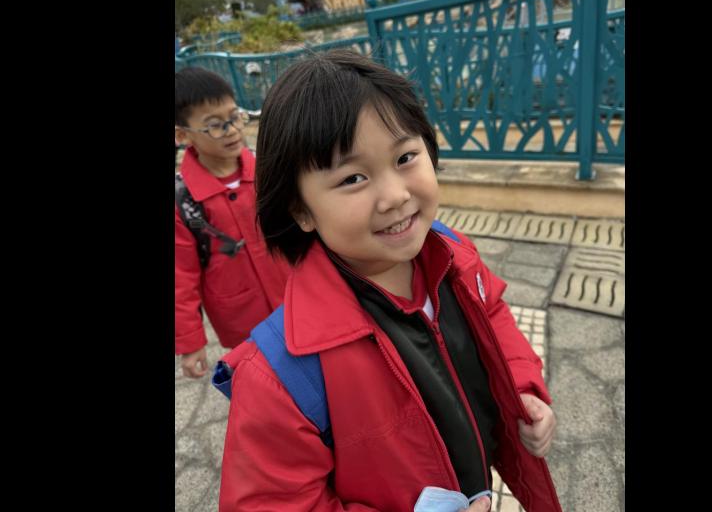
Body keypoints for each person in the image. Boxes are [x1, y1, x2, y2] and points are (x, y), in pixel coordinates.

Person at [217, 50, 561, 511]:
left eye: (405, 157)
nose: (396, 196)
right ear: (300, 210)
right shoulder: (280, 375)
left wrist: (523, 388)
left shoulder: (452, 253)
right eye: (353, 178)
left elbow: (493, 315)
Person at [175, 67, 290, 378]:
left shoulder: (267, 168)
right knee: (267, 381)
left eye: (234, 117)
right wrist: (191, 342)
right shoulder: (183, 200)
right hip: (243, 318)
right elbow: (181, 275)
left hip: (296, 294)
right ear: (182, 135)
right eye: (215, 125)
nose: (231, 130)